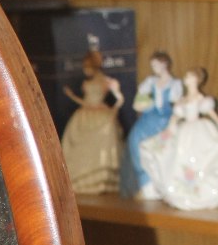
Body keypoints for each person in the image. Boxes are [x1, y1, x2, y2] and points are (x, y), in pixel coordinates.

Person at [139, 67, 218, 210]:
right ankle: (181, 191)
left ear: (196, 80)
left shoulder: (200, 98)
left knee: (201, 158)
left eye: (189, 76)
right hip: (184, 130)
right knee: (175, 157)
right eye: (186, 76)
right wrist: (168, 130)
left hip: (198, 131)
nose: (186, 79)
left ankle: (201, 192)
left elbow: (212, 115)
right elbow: (175, 118)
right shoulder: (183, 99)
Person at [60, 51, 124, 194]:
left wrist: (115, 108)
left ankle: (101, 180)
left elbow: (119, 98)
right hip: (85, 114)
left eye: (87, 68)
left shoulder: (105, 82)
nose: (85, 71)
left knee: (100, 142)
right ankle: (79, 180)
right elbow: (85, 101)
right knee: (76, 143)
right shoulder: (86, 83)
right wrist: (71, 96)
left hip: (100, 113)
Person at [121, 51, 183, 197]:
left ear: (164, 64)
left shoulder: (175, 84)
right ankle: (146, 182)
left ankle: (163, 183)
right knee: (136, 140)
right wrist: (144, 104)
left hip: (166, 119)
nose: (153, 68)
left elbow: (177, 106)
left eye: (155, 64)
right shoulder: (150, 82)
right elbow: (138, 104)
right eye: (152, 65)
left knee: (165, 147)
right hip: (149, 118)